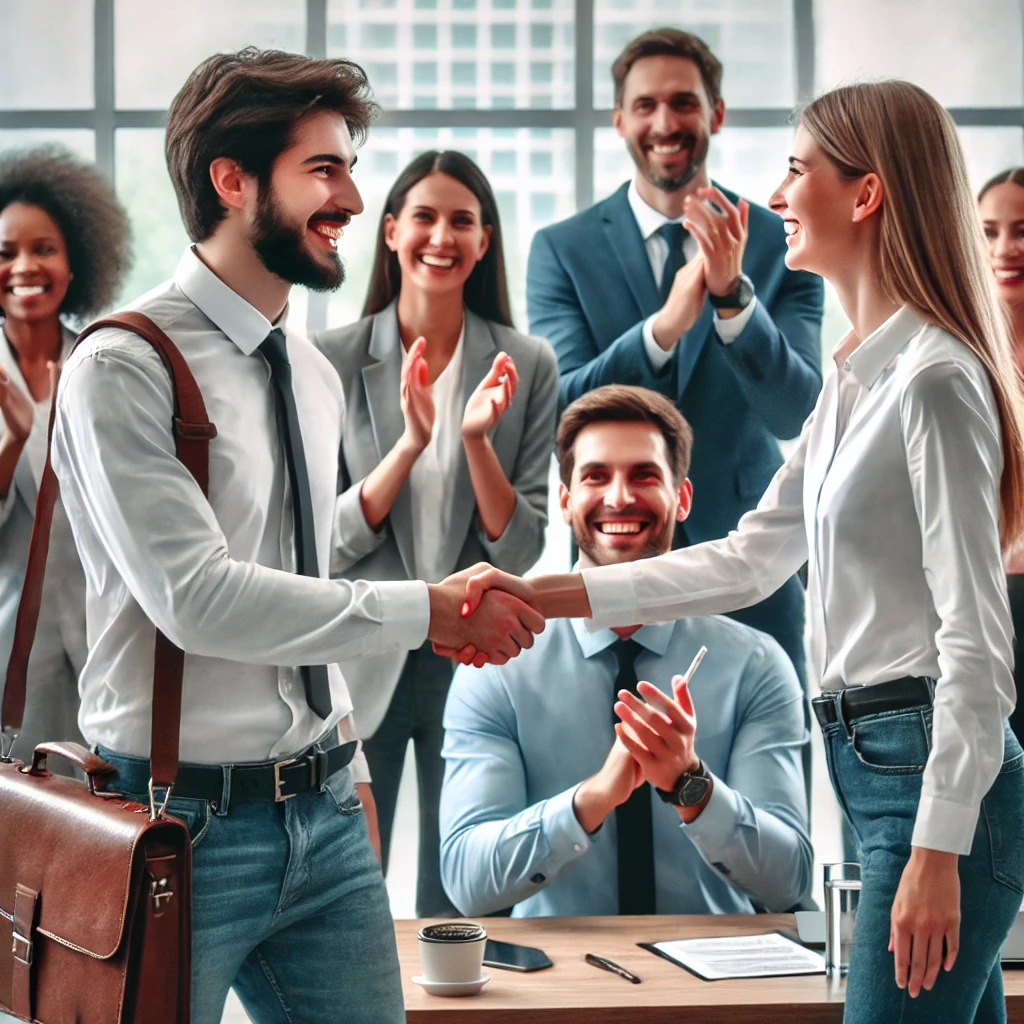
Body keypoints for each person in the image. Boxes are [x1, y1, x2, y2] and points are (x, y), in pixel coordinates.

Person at [456, 81, 1024, 1024]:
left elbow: (977, 643)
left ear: (867, 194)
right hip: (880, 761)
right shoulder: (857, 379)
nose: (776, 192)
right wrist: (538, 591)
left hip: (928, 776)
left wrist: (937, 848)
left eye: (798, 168)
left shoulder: (933, 381)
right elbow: (745, 560)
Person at [48, 49, 542, 1024]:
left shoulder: (309, 373)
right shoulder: (124, 365)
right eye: (324, 169)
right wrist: (425, 611)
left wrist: (348, 765)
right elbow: (200, 597)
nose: (355, 199)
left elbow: (306, 574)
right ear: (232, 182)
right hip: (176, 829)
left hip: (322, 815)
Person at [439, 384, 811, 918]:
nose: (618, 497)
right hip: (558, 987)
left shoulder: (755, 666)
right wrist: (591, 800)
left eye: (644, 475)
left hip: (719, 986)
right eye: (595, 476)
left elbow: (790, 882)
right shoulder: (498, 669)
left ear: (681, 499)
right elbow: (467, 882)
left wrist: (692, 787)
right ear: (565, 502)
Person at [525, 27, 824, 681]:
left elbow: (795, 411)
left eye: (684, 103)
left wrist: (733, 301)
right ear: (620, 119)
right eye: (646, 105)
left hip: (752, 566)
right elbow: (567, 407)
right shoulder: (561, 249)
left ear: (714, 113)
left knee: (762, 769)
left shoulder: (784, 240)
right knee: (610, 768)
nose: (666, 122)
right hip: (613, 556)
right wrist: (665, 326)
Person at [314, 150, 558, 917]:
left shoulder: (528, 363)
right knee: (351, 888)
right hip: (364, 655)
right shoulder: (331, 359)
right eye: (423, 216)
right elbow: (327, 542)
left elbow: (520, 550)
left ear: (485, 241)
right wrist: (412, 445)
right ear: (390, 232)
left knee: (463, 893)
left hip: (475, 655)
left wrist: (475, 441)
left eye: (462, 220)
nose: (441, 236)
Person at [0, 146, 132, 773]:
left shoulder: (106, 365)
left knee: (89, 844)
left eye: (44, 249)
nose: (24, 266)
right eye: (6, 252)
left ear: (76, 261)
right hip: (6, 653)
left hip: (104, 646)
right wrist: (12, 442)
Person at [979, 167, 1024, 746]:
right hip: (979, 602)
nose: (1004, 248)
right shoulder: (953, 357)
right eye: (988, 231)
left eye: (1021, 229)